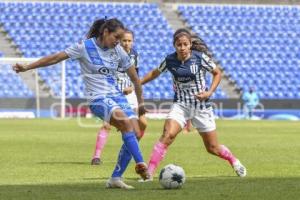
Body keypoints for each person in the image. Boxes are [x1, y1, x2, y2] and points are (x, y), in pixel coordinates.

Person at [12, 18, 150, 189]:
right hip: (98, 98)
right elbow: (56, 57)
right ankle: (141, 164)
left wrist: (141, 104)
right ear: (106, 32)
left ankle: (115, 178)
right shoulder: (84, 47)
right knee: (125, 123)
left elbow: (135, 79)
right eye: (116, 37)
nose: (118, 42)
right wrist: (28, 67)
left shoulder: (119, 51)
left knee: (135, 132)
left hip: (118, 96)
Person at [140, 28, 246, 181]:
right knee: (167, 135)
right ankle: (148, 174)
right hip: (180, 105)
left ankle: (234, 161)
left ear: (190, 45)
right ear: (174, 46)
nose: (182, 48)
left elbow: (217, 73)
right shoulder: (169, 60)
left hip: (201, 107)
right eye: (178, 45)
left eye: (185, 44)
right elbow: (155, 72)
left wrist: (209, 92)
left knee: (212, 148)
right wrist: (139, 83)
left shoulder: (200, 58)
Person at [91, 29, 147, 165]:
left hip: (130, 94)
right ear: (119, 41)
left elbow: (136, 76)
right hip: (113, 92)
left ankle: (127, 154)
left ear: (132, 42)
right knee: (107, 125)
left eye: (129, 41)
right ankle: (96, 157)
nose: (127, 43)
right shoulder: (111, 54)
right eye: (124, 41)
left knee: (140, 125)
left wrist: (133, 88)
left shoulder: (134, 55)